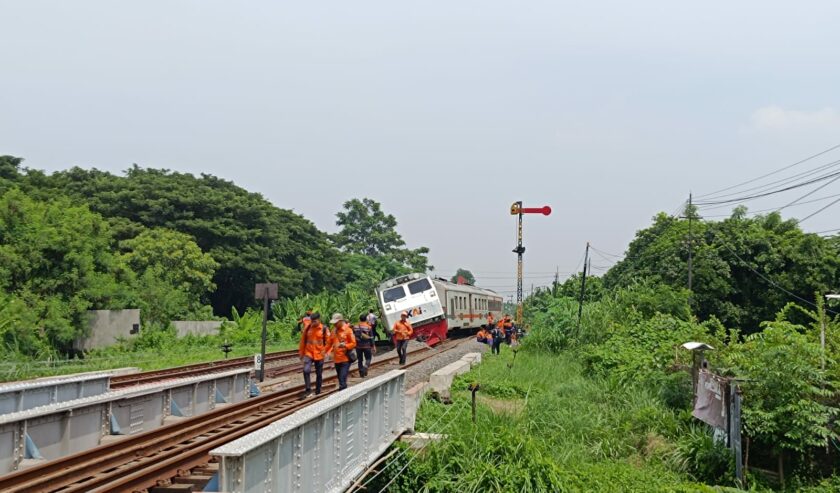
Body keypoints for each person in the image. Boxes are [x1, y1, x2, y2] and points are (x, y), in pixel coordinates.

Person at [298, 312, 329, 397]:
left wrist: (326, 352)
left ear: (319, 320)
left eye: (314, 321)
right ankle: (308, 389)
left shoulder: (324, 329)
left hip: (319, 354)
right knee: (306, 370)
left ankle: (318, 390)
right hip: (309, 353)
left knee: (319, 373)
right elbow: (303, 342)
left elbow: (329, 342)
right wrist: (301, 354)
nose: (312, 323)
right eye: (312, 321)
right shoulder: (308, 328)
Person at [329, 313, 356, 390]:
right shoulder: (333, 331)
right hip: (337, 359)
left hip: (345, 359)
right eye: (333, 323)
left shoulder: (348, 330)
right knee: (340, 378)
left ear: (341, 321)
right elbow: (329, 343)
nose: (334, 325)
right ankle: (344, 390)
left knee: (342, 378)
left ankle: (343, 392)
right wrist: (326, 352)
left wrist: (345, 345)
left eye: (336, 323)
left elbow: (353, 343)